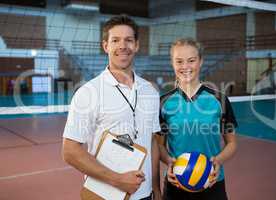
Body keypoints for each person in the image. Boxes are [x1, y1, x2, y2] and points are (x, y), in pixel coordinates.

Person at [62, 15, 162, 200]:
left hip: (145, 195)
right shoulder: (88, 92)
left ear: (137, 45)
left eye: (128, 40)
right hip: (105, 195)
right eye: (115, 40)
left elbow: (153, 141)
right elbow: (69, 151)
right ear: (105, 46)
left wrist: (156, 187)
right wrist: (117, 180)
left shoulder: (150, 91)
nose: (123, 46)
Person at [157, 38, 238, 200]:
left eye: (191, 60)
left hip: (211, 181)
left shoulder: (219, 100)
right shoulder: (164, 102)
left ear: (201, 62)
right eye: (179, 61)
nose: (185, 66)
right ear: (172, 64)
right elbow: (159, 146)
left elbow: (232, 143)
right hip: (177, 182)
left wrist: (218, 160)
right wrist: (169, 162)